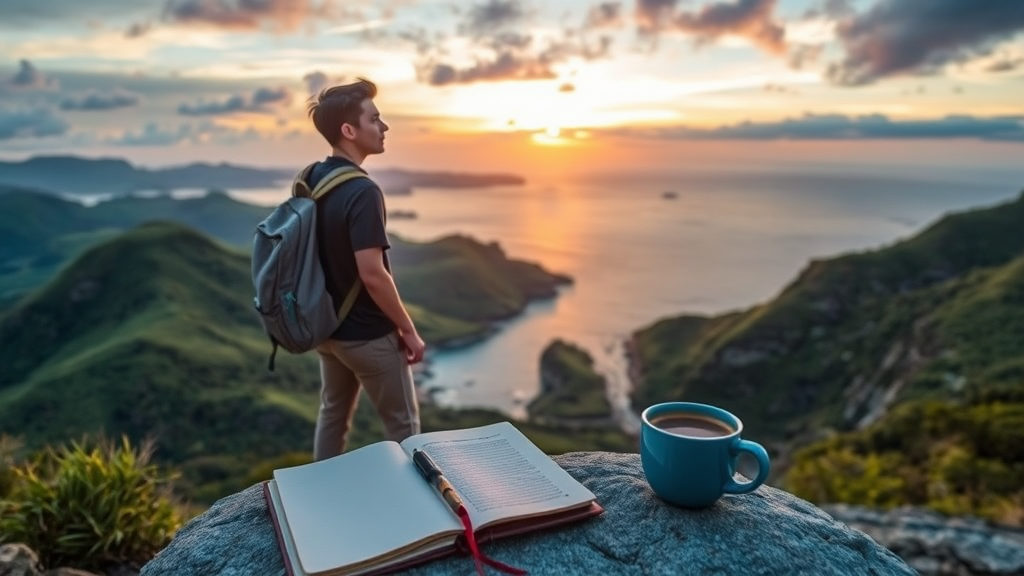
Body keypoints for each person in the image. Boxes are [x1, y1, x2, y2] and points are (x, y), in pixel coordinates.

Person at [304, 78, 426, 461]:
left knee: (333, 415)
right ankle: (418, 512)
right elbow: (372, 273)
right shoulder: (362, 191)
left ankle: (323, 494)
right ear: (349, 130)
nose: (384, 126)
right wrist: (407, 330)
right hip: (368, 336)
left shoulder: (310, 178)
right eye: (375, 119)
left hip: (326, 328)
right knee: (404, 427)